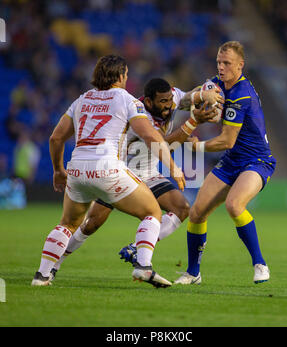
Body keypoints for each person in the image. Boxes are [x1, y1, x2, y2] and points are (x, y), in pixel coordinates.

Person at [31, 55, 187, 288]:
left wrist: (57, 170)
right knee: (152, 212)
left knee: (68, 223)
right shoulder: (127, 99)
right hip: (107, 167)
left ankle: (42, 276)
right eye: (126, 74)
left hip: (77, 168)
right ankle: (143, 267)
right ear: (121, 76)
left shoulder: (81, 100)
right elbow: (150, 134)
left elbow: (56, 137)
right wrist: (173, 167)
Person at [49, 77, 224, 280]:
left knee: (181, 207)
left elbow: (185, 98)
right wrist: (194, 121)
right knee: (91, 224)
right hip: (121, 172)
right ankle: (54, 264)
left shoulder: (171, 98)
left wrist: (205, 93)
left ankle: (137, 249)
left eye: (169, 101)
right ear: (148, 102)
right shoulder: (139, 114)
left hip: (148, 172)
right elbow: (163, 146)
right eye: (163, 102)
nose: (168, 106)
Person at [174, 41, 276, 285]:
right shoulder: (216, 84)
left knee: (234, 205)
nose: (221, 67)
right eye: (219, 62)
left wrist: (195, 146)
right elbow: (184, 100)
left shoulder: (242, 94)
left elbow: (228, 140)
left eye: (227, 63)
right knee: (197, 213)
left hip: (257, 160)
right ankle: (193, 273)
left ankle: (260, 264)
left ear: (240, 65)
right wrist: (198, 96)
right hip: (232, 162)